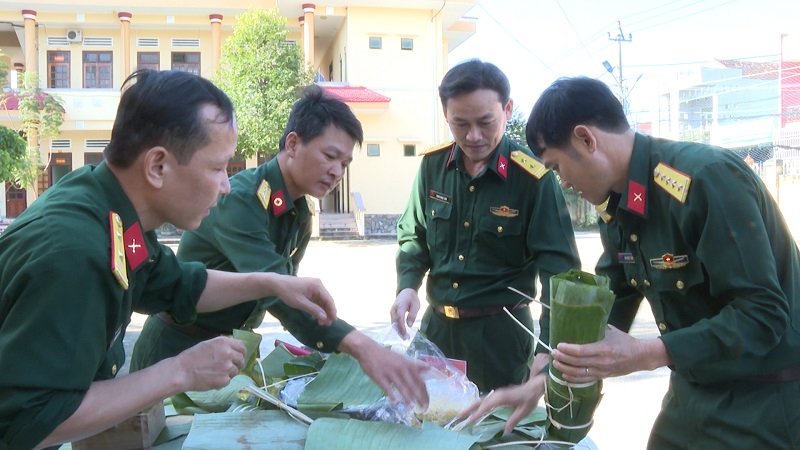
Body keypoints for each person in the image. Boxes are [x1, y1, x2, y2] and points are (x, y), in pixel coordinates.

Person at [0, 70, 338, 450]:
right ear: (157, 166)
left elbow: (180, 284)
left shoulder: (108, 207)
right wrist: (181, 371)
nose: (226, 185)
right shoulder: (77, 254)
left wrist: (272, 283)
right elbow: (33, 421)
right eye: (216, 168)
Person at [460, 76, 800, 448]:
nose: (565, 184)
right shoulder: (620, 207)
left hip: (765, 397)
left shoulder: (706, 180)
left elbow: (763, 313)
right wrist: (539, 384)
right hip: (692, 393)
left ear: (586, 139)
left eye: (557, 168)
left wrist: (647, 353)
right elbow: (605, 309)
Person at [130, 85, 430, 408]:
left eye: (345, 164)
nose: (336, 172)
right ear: (293, 144)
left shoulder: (298, 213)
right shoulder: (241, 199)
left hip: (228, 355)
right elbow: (283, 296)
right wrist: (363, 347)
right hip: (175, 351)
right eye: (330, 156)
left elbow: (291, 294)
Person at [391, 59, 581, 393]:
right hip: (436, 332)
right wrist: (408, 285)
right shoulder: (433, 166)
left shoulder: (532, 178)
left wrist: (549, 348)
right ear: (445, 113)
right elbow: (414, 237)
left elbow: (558, 272)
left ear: (507, 110)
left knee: (494, 435)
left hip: (500, 339)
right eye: (460, 123)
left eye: (485, 122)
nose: (473, 136)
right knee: (431, 425)